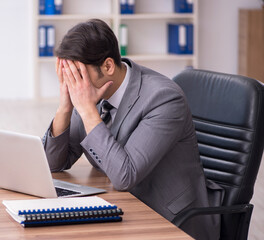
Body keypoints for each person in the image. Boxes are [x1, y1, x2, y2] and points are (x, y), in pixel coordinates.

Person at [42, 19, 223, 240]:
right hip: (126, 204)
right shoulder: (90, 90)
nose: (73, 83)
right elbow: (53, 164)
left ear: (107, 66)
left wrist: (88, 111)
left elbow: (124, 176)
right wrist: (65, 107)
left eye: (78, 74)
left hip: (171, 220)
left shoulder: (163, 98)